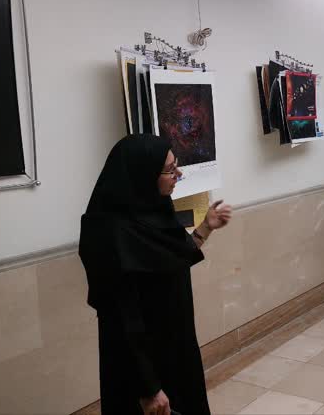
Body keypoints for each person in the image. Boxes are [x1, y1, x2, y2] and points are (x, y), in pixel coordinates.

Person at [79, 135, 232, 415]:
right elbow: (121, 320)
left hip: (175, 350)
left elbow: (172, 259)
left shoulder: (155, 211)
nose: (179, 174)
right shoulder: (109, 234)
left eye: (177, 165)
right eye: (170, 170)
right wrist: (148, 388)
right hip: (142, 370)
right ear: (143, 174)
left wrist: (206, 227)